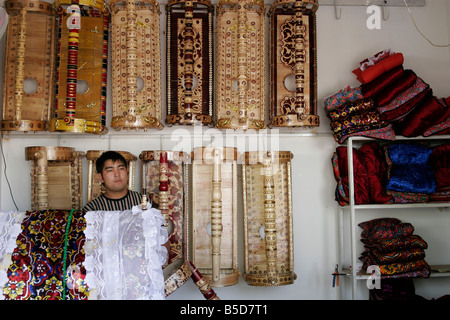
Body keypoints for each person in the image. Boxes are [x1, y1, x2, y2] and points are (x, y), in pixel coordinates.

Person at [83, 150, 169, 253]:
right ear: (101, 177)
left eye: (121, 169)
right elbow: (86, 248)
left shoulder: (143, 203)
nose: (117, 174)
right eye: (110, 170)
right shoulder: (92, 210)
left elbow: (163, 240)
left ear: (127, 173)